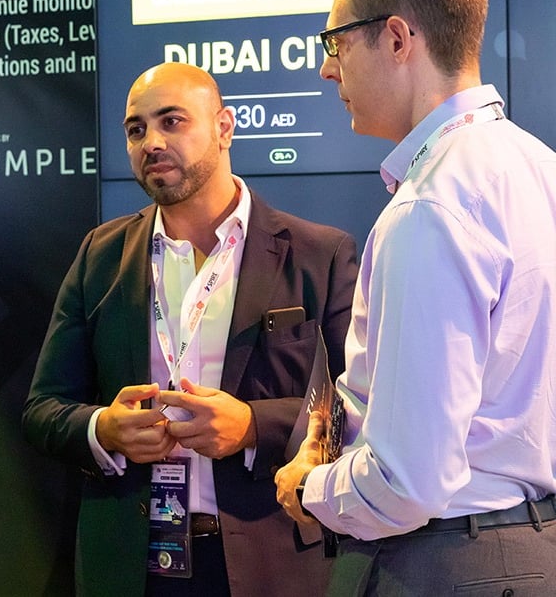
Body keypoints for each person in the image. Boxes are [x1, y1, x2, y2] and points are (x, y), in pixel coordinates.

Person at [275, 0, 556, 595]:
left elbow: (408, 480)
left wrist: (312, 487)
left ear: (398, 39)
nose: (327, 69)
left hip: (442, 563)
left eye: (336, 42)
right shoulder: (539, 167)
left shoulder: (432, 206)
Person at [23, 61, 358, 596]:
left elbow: (354, 406)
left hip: (269, 561)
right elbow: (44, 409)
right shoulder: (101, 255)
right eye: (136, 129)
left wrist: (252, 426)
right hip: (131, 567)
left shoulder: (320, 254)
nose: (151, 142)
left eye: (172, 121)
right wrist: (103, 429)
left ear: (224, 128)